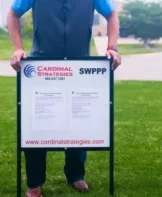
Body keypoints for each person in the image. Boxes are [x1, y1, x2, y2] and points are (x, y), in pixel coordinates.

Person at [7, 0, 121, 196]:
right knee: (37, 125)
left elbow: (111, 15)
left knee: (78, 121)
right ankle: (34, 182)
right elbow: (13, 14)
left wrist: (112, 47)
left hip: (79, 66)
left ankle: (75, 175)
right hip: (42, 66)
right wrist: (18, 48)